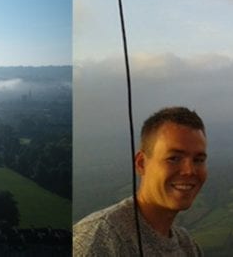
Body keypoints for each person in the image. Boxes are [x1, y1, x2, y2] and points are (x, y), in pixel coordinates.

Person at [73, 106, 207, 256]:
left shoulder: (187, 246)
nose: (189, 171)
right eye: (173, 158)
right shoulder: (101, 238)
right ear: (141, 163)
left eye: (198, 160)